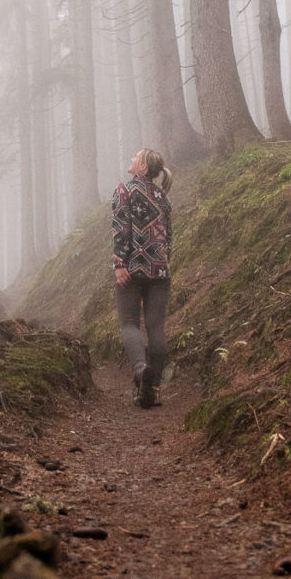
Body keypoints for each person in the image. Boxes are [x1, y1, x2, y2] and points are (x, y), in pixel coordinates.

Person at [112, 148, 173, 409]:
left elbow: (121, 228)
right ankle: (154, 388)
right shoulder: (163, 197)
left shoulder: (124, 190)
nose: (130, 159)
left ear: (143, 168)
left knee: (128, 323)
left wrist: (119, 262)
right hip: (160, 270)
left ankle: (140, 370)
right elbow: (168, 238)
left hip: (132, 267)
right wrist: (161, 264)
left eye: (135, 157)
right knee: (156, 328)